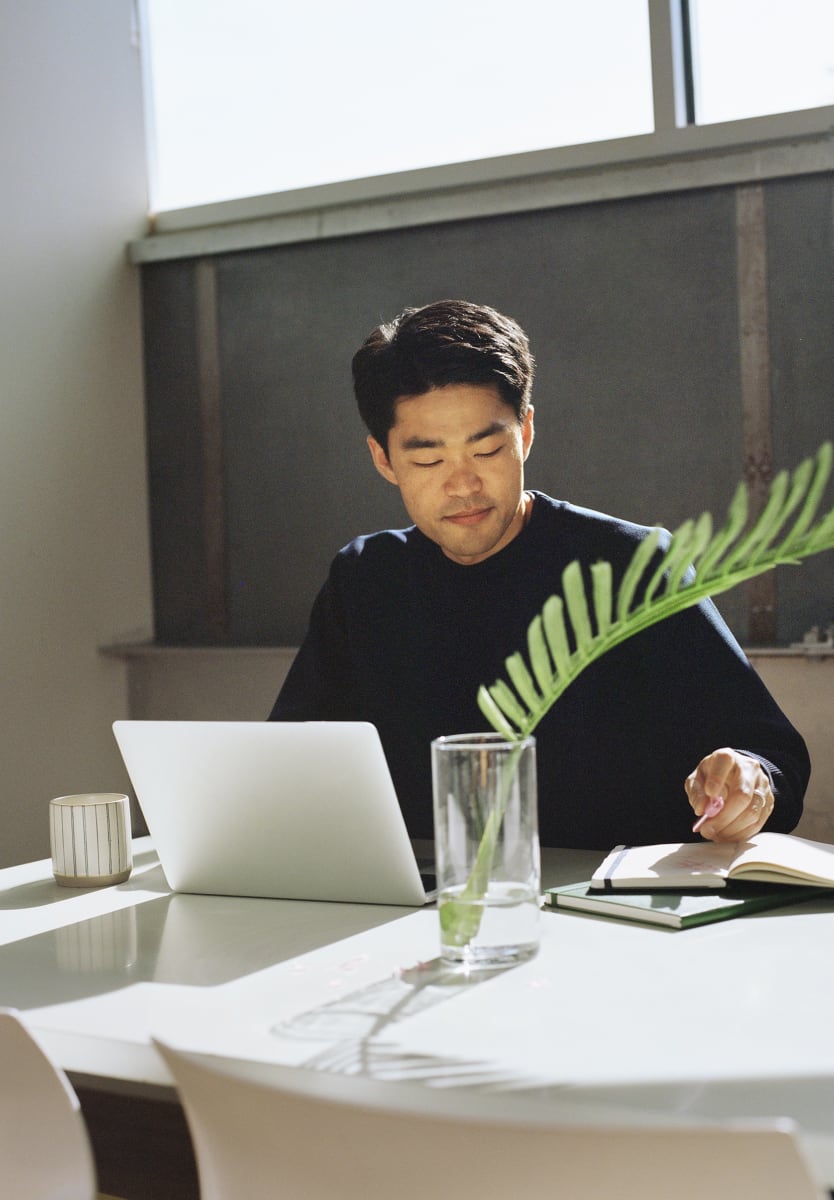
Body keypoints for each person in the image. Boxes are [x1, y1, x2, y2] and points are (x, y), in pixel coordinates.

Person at [269, 299, 809, 850]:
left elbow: (772, 756)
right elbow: (282, 766)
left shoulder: (633, 566)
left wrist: (748, 777)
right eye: (428, 461)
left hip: (611, 912)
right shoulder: (365, 580)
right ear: (383, 459)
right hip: (421, 908)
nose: (463, 485)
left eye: (487, 449)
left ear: (525, 433)